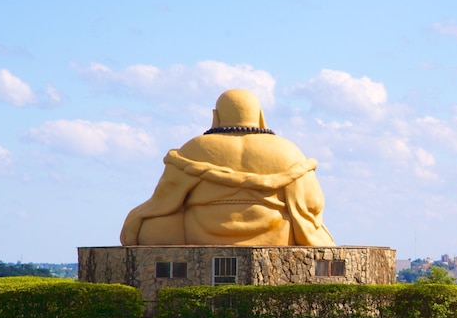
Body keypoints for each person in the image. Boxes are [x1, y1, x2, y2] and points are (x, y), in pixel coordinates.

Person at [120, 89, 335, 247]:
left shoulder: (194, 148)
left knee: (154, 228)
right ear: (260, 116)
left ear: (216, 116)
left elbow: (162, 201)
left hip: (201, 234)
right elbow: (312, 205)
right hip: (276, 233)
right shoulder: (287, 151)